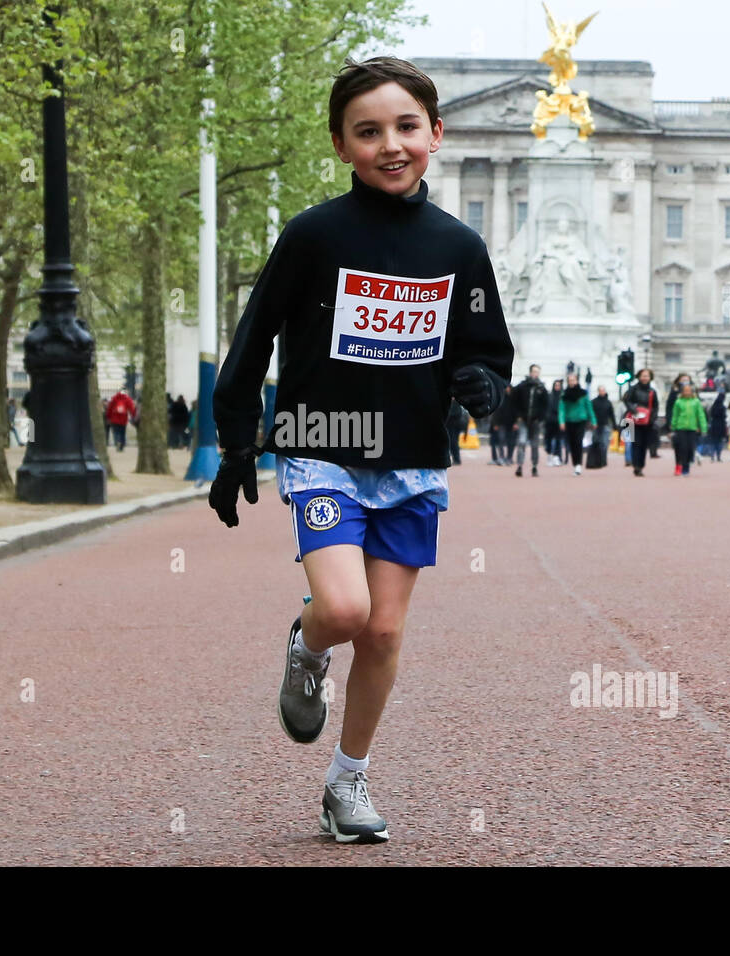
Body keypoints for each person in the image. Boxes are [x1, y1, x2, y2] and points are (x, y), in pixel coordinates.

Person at [207, 56, 514, 845]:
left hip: (412, 457)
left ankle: (347, 782)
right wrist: (238, 443)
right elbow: (254, 339)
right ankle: (307, 647)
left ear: (436, 135)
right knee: (343, 611)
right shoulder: (312, 234)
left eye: (406, 127)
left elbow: (486, 349)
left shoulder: (460, 247)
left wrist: (482, 381)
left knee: (382, 631)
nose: (390, 144)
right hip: (322, 445)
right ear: (341, 145)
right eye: (367, 131)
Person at [620, 367, 659, 477]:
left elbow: (655, 406)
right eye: (643, 375)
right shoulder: (633, 389)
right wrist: (634, 411)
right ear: (639, 377)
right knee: (634, 443)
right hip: (632, 420)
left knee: (643, 445)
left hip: (647, 422)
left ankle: (641, 465)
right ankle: (636, 466)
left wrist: (652, 418)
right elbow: (626, 400)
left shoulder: (652, 391)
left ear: (650, 377)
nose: (645, 378)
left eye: (647, 375)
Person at [511, 364, 547, 476]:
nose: (536, 374)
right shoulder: (522, 386)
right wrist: (518, 416)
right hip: (523, 420)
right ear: (530, 372)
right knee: (521, 442)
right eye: (534, 371)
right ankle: (520, 466)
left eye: (538, 372)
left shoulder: (542, 388)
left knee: (535, 444)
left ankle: (534, 466)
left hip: (535, 421)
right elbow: (514, 401)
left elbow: (546, 405)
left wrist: (540, 418)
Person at [557, 372, 596, 476]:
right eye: (570, 380)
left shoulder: (583, 393)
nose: (572, 382)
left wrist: (593, 420)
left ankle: (578, 464)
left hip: (581, 421)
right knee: (571, 443)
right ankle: (575, 464)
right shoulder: (564, 394)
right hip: (569, 421)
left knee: (578, 442)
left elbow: (589, 407)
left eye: (573, 380)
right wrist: (561, 421)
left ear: (577, 381)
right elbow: (562, 409)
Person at [669, 380, 708, 475]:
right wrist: (673, 427)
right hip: (680, 428)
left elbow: (701, 415)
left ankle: (688, 463)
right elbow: (675, 415)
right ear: (682, 392)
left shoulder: (696, 402)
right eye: (685, 390)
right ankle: (683, 467)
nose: (687, 392)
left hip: (692, 428)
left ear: (692, 392)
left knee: (691, 448)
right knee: (683, 448)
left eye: (689, 390)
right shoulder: (678, 402)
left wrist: (703, 428)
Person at [489, 383, 516, 465]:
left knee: (511, 441)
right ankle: (501, 457)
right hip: (500, 423)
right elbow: (496, 411)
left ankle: (509, 457)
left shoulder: (514, 399)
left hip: (511, 423)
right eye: (506, 388)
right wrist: (495, 423)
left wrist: (516, 423)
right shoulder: (500, 397)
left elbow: (516, 412)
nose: (507, 389)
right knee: (501, 440)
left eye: (508, 388)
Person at [589, 385, 615, 468]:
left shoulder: (608, 402)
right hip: (595, 426)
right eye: (600, 390)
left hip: (605, 425)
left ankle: (603, 460)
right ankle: (595, 460)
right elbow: (590, 414)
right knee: (596, 443)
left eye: (603, 390)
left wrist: (614, 425)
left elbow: (611, 415)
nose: (602, 392)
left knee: (604, 444)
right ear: (598, 391)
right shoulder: (593, 402)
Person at [105, 388, 137, 453]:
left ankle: (117, 442)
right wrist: (134, 416)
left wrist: (108, 417)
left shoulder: (114, 398)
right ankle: (122, 446)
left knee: (116, 432)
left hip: (114, 419)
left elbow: (109, 409)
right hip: (123, 419)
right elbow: (132, 409)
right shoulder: (127, 399)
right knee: (122, 432)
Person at [544, 378, 564, 466]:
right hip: (550, 421)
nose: (557, 387)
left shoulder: (563, 397)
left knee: (558, 440)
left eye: (559, 385)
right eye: (556, 385)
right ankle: (549, 455)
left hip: (559, 422)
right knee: (548, 439)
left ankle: (556, 456)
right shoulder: (549, 395)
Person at [445, 398, 468, 465]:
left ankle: (457, 459)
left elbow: (452, 414)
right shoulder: (458, 402)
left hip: (452, 425)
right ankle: (456, 458)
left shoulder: (454, 403)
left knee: (453, 442)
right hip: (456, 424)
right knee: (455, 442)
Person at [707, 391, 727, 462]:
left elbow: (710, 415)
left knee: (713, 441)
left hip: (714, 425)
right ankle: (718, 456)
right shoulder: (723, 407)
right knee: (719, 442)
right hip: (721, 425)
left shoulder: (713, 406)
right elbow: (724, 416)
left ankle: (712, 455)